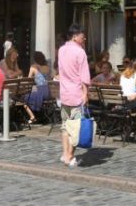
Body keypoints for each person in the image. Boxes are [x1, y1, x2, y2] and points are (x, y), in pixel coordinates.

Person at [57, 25, 90, 168]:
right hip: (76, 94)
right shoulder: (80, 52)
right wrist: (85, 94)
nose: (84, 38)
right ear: (75, 36)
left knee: (65, 126)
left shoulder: (61, 50)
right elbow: (84, 76)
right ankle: (70, 156)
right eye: (82, 36)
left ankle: (65, 154)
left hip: (64, 93)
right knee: (76, 128)